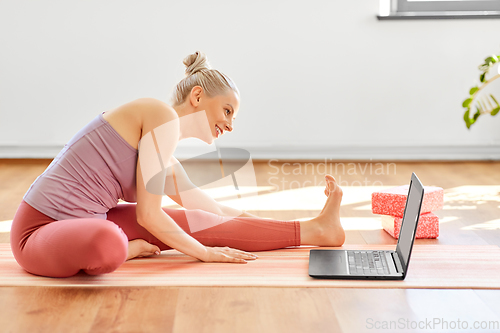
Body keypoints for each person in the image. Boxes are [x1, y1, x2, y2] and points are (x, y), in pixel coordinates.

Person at [10, 51, 346, 278]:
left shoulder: (166, 159)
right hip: (39, 231)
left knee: (202, 223)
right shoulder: (159, 115)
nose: (230, 125)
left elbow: (218, 216)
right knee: (110, 241)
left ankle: (317, 229)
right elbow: (148, 216)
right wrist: (203, 253)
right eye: (227, 111)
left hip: (90, 220)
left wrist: (294, 226)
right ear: (198, 97)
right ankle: (123, 249)